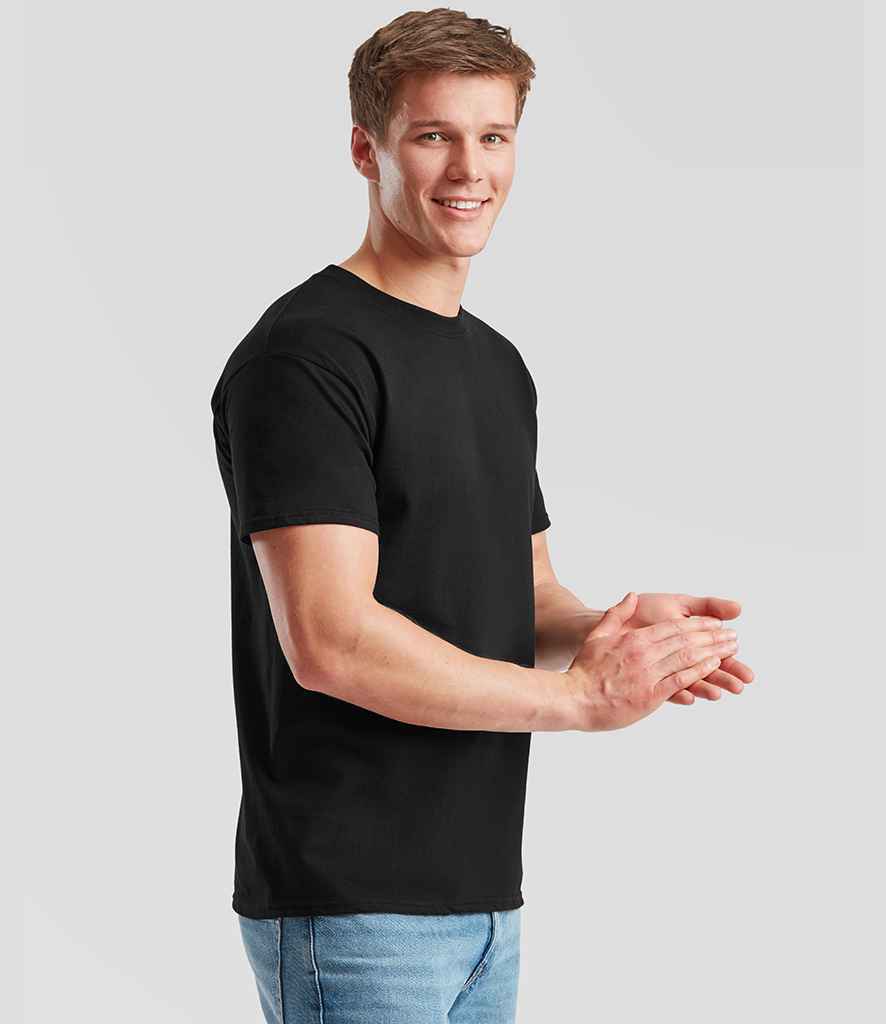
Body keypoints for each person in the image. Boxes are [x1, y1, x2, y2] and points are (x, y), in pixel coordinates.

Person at [209, 9, 754, 1023]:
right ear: (366, 150)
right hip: (351, 905)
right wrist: (579, 701)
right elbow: (330, 641)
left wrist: (606, 629)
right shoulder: (307, 357)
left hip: (484, 899)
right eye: (433, 135)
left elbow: (525, 591)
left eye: (493, 135)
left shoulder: (497, 365)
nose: (470, 169)